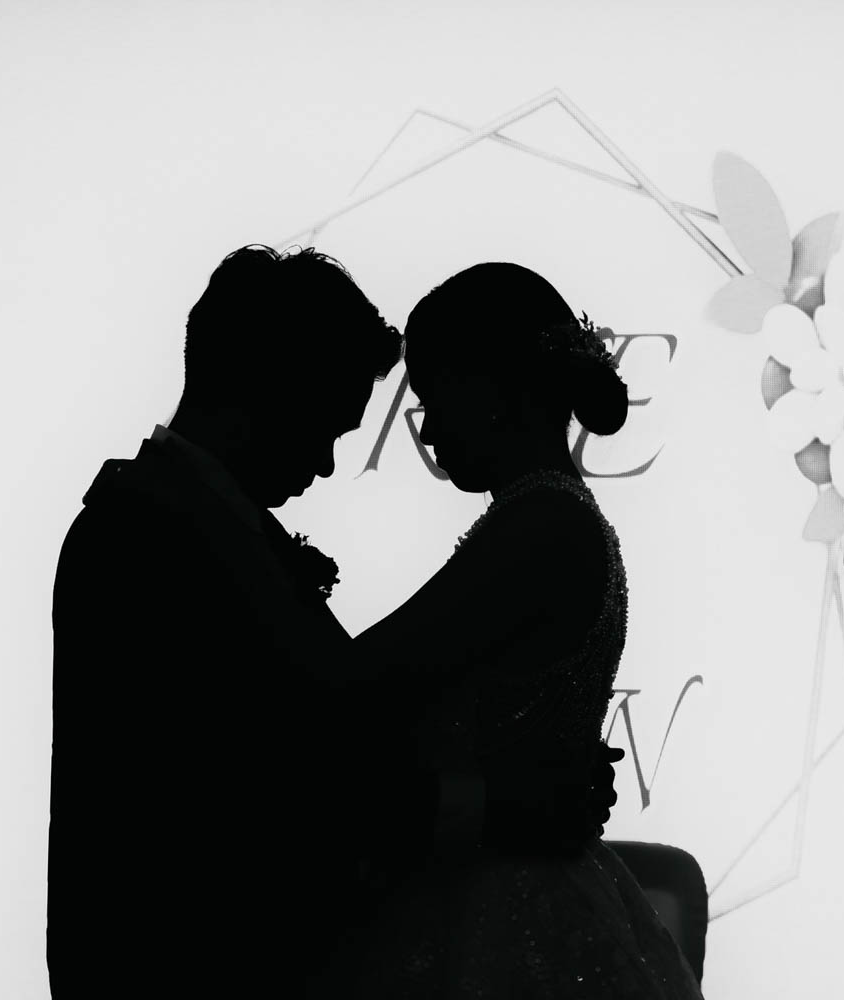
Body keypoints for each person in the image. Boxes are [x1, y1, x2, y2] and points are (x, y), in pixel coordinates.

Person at [47, 246, 623, 997]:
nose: (324, 466)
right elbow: (276, 776)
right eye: (323, 427)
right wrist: (503, 800)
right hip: (176, 964)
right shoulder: (142, 535)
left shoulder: (200, 524)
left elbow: (326, 727)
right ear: (269, 389)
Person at [303, 262, 705, 997]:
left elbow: (356, 691)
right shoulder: (557, 518)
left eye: (434, 399)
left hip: (496, 903)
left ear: (491, 391)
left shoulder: (540, 526)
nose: (429, 431)